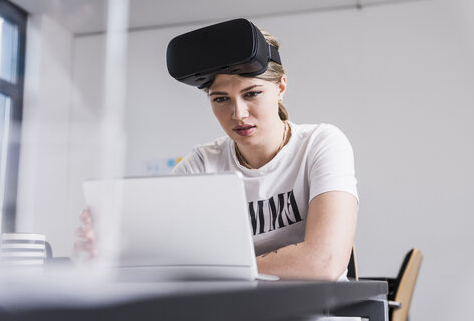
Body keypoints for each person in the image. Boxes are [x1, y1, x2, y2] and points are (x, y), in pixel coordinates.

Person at [76, 20, 358, 281]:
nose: (238, 113)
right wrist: (103, 246)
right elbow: (154, 253)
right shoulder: (201, 166)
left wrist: (212, 270)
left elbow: (324, 261)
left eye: (252, 93)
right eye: (221, 99)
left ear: (280, 87)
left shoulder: (321, 144)